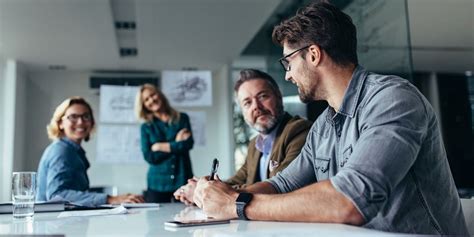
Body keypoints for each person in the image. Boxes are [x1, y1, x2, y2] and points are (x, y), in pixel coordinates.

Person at [192, 2, 468, 235]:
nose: (287, 74)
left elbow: (350, 200)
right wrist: (219, 196)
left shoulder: (393, 99)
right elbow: (282, 184)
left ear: (313, 54)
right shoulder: (324, 125)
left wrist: (236, 204)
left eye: (288, 62)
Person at [173, 69, 312, 205]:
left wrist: (204, 193)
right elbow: (235, 181)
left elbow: (280, 186)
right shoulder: (255, 145)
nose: (256, 107)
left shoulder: (298, 131)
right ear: (243, 112)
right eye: (247, 103)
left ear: (279, 97)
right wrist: (202, 187)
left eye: (263, 96)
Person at [36, 97, 144, 206]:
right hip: (53, 222)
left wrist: (117, 198)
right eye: (73, 117)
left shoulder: (73, 151)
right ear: (60, 123)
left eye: (86, 116)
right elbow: (57, 195)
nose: (80, 122)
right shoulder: (61, 151)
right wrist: (110, 199)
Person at [135, 83, 194, 203]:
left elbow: (188, 144)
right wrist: (176, 143)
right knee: (155, 221)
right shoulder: (146, 127)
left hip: (182, 179)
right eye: (146, 99)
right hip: (157, 184)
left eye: (153, 95)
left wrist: (160, 146)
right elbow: (150, 157)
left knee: (186, 217)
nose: (151, 100)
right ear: (144, 105)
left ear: (159, 94)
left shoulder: (182, 118)